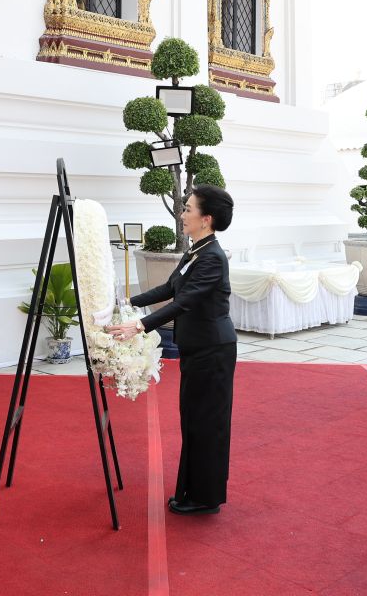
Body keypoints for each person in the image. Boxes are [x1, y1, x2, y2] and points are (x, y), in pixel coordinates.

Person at [105, 185, 237, 516]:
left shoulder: (212, 257)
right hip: (199, 349)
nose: (182, 214)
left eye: (188, 209)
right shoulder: (196, 251)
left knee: (206, 422)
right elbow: (169, 288)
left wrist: (139, 326)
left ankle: (205, 496)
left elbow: (184, 302)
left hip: (213, 351)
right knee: (193, 418)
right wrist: (126, 303)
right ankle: (195, 490)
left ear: (206, 219)